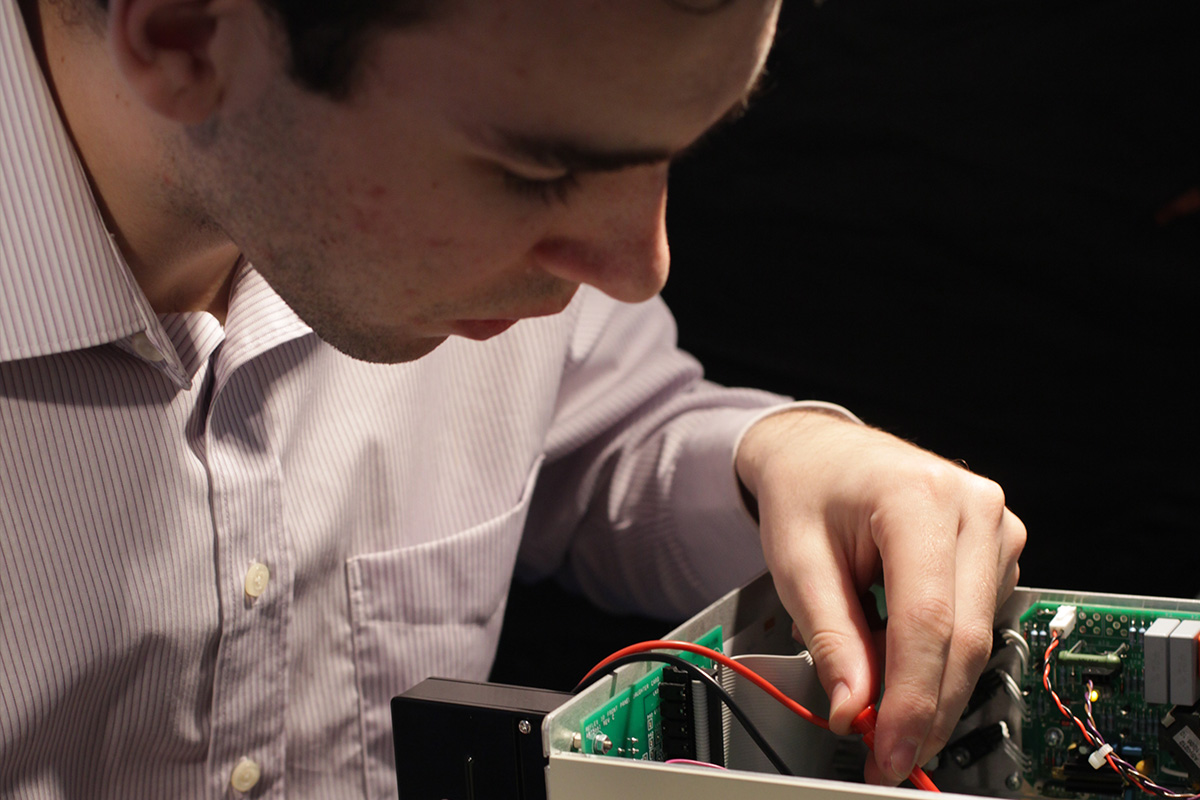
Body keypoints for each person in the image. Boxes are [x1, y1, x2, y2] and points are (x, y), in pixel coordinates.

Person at [0, 0, 1025, 797]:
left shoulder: (444, 224)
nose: (639, 266)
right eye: (539, 173)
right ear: (183, 38)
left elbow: (609, 433)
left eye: (676, 145)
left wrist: (789, 455)